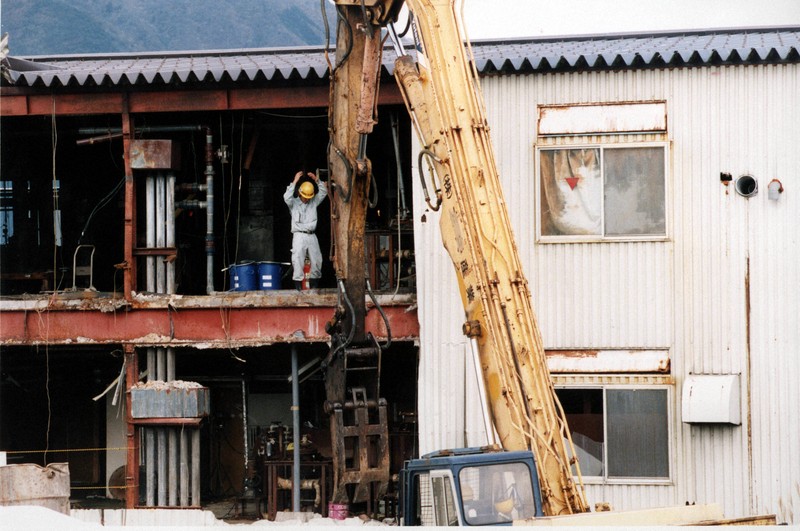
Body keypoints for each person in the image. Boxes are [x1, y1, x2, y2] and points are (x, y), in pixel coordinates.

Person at [283, 170, 328, 290]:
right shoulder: (293, 203)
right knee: (298, 260)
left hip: (312, 235)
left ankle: (314, 284)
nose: (307, 199)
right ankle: (298, 284)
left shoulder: (313, 202)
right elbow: (286, 197)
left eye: (308, 197)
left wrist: (316, 180)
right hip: (299, 235)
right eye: (305, 197)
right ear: (300, 193)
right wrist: (295, 181)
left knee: (317, 259)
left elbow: (323, 192)